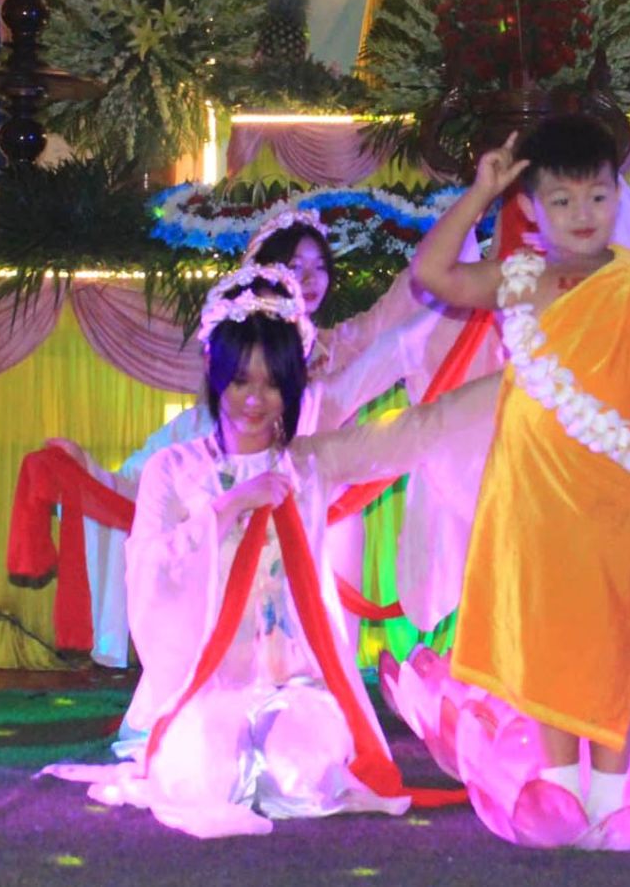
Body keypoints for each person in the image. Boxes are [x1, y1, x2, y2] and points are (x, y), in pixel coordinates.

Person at [45, 265, 488, 837]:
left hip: (294, 684)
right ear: (214, 374)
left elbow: (421, 428)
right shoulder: (174, 470)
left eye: (272, 384)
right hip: (204, 686)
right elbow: (150, 568)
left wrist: (519, 381)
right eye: (239, 382)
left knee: (299, 774)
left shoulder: (310, 462)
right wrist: (228, 507)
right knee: (205, 775)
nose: (255, 400)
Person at [411, 113, 630, 827]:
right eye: (563, 200)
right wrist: (480, 193)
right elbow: (432, 274)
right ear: (531, 206)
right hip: (536, 500)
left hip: (618, 498)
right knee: (547, 640)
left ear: (619, 196)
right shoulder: (521, 280)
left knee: (614, 643)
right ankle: (560, 795)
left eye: (598, 196)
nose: (583, 214)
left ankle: (610, 798)